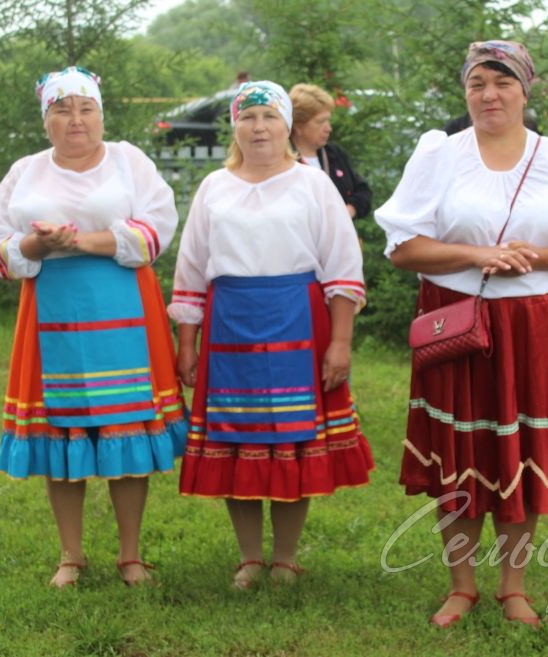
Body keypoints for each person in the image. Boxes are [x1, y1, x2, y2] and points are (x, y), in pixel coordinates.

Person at [375, 40, 548, 628]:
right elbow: (402, 246)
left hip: (536, 325)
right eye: (477, 84)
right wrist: (477, 253)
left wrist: (533, 256)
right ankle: (461, 584)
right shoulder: (439, 154)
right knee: (460, 451)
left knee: (521, 451)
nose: (489, 95)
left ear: (525, 88)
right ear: (464, 91)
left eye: (502, 82)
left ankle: (513, 585)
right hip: (457, 320)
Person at [0, 66, 188, 588]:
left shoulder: (128, 160)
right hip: (51, 308)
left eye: (85, 108)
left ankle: (131, 554)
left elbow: (157, 229)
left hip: (122, 302)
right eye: (61, 109)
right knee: (61, 428)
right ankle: (70, 555)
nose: (75, 119)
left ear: (101, 113)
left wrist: (80, 241)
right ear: (45, 119)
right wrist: (34, 246)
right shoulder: (25, 170)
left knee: (126, 426)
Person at [169, 81, 374, 589]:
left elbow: (342, 266)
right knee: (235, 439)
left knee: (292, 440)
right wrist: (187, 344)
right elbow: (192, 267)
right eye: (248, 117)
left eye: (269, 117)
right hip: (229, 322)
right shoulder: (215, 187)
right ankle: (249, 558)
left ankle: (284, 558)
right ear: (235, 126)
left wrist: (341, 342)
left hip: (297, 320)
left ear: (287, 124)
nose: (259, 127)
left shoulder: (312, 184)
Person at [288, 83, 372, 220]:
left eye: (328, 120)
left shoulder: (334, 154)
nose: (328, 128)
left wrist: (349, 210)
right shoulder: (283, 160)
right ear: (298, 125)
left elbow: (363, 191)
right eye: (321, 122)